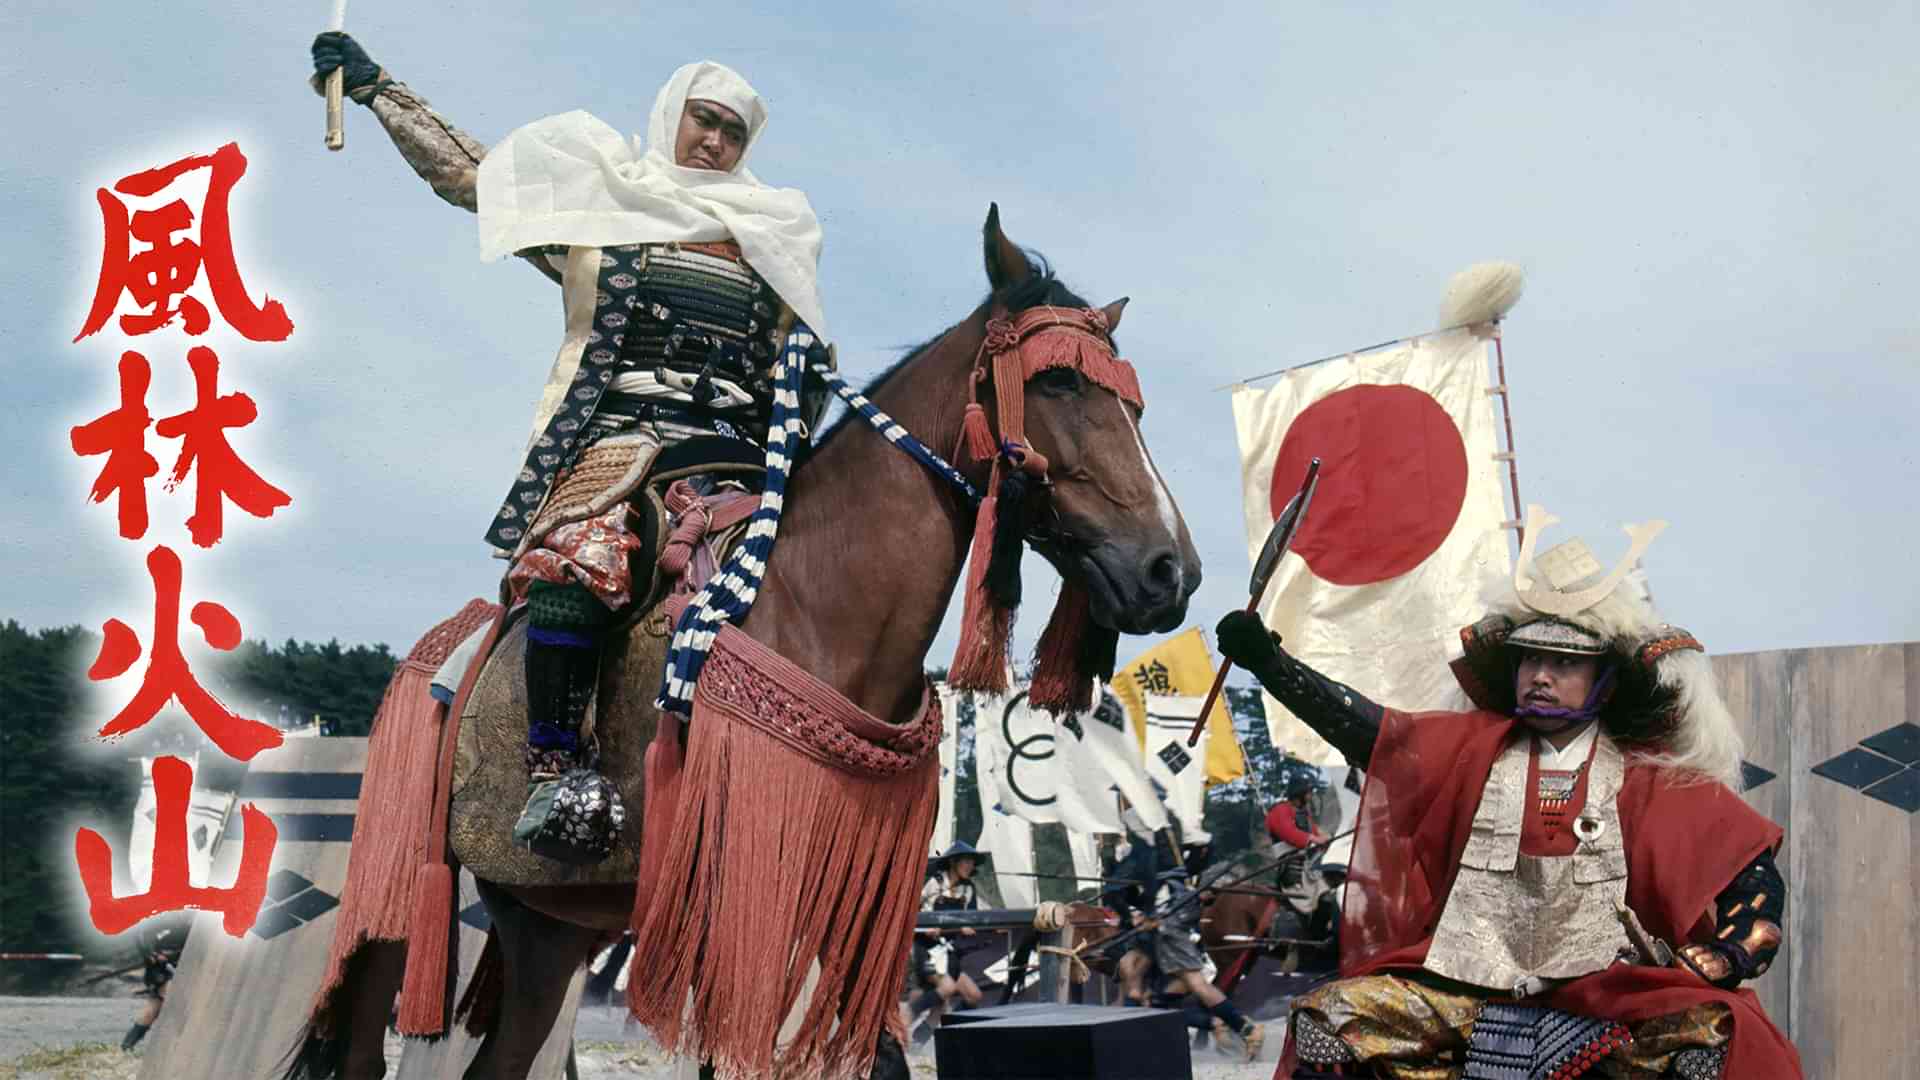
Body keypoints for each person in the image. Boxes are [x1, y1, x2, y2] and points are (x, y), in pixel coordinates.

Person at [310, 34, 833, 861]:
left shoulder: (775, 241)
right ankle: (556, 771)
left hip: (733, 460)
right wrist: (380, 92)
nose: (715, 142)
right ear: (673, 116)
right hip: (620, 444)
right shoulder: (608, 211)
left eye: (733, 132)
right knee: (575, 562)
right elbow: (475, 181)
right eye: (704, 120)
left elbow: (801, 375)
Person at [1217, 518, 1800, 1079]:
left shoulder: (1651, 778)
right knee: (1328, 1019)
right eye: (1531, 658)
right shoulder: (1469, 750)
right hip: (1462, 990)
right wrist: (1272, 664)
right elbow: (1372, 732)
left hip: (1609, 997)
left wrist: (1728, 955)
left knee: (1713, 1033)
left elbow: (1750, 874)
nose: (1540, 675)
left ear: (1607, 681)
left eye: (1564, 662)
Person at [1136, 866, 1266, 1061]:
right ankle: (1220, 1026)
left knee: (1199, 987)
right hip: (1168, 949)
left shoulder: (1180, 893)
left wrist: (1156, 923)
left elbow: (1173, 920)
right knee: (1159, 1003)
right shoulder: (1172, 890)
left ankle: (1245, 1028)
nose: (1210, 899)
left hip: (1177, 946)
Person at [906, 841, 989, 1041]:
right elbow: (914, 912)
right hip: (927, 949)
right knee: (947, 989)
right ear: (953, 862)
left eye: (972, 862)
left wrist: (969, 926)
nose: (970, 866)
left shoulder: (968, 889)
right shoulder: (934, 883)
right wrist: (927, 927)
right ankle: (905, 1016)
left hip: (948, 951)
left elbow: (972, 918)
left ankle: (919, 1043)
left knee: (973, 996)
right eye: (966, 861)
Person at [120, 926, 182, 1051]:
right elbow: (141, 937)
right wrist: (153, 955)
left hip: (176, 966)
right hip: (161, 973)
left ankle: (127, 1046)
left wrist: (170, 956)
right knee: (152, 1010)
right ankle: (127, 1046)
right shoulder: (160, 923)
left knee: (154, 1010)